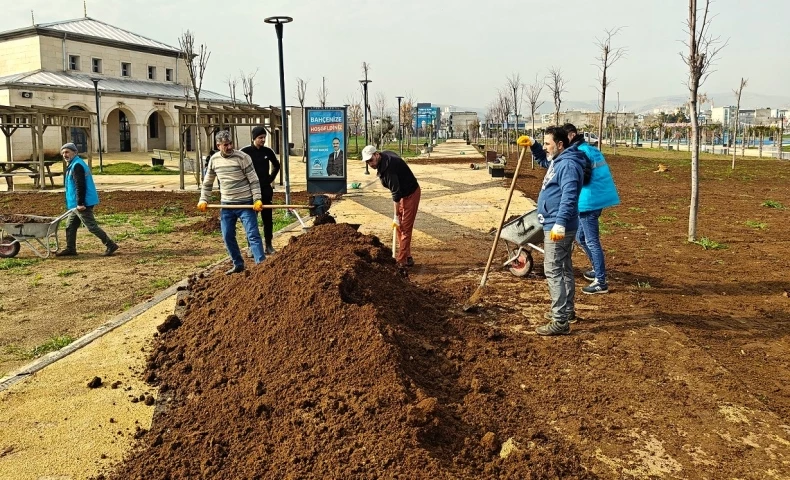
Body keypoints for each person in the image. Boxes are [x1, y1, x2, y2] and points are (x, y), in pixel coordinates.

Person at [518, 127, 586, 336]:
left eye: (548, 143)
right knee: (564, 268)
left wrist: (560, 223)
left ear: (560, 145)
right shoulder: (559, 160)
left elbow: (569, 196)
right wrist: (534, 145)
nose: (546, 147)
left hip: (558, 226)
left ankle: (559, 321)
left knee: (553, 270)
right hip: (556, 222)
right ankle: (567, 312)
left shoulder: (568, 165)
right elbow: (545, 161)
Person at [198, 130, 266, 275]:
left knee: (252, 234)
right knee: (227, 235)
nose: (229, 147)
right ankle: (238, 264)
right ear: (218, 146)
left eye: (230, 144)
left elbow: (253, 180)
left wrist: (257, 199)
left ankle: (262, 267)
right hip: (227, 205)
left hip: (245, 204)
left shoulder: (243, 157)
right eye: (225, 145)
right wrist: (204, 199)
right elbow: (208, 182)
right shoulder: (214, 160)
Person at [563, 123, 620, 294]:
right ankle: (597, 269)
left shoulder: (580, 152)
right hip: (597, 197)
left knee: (591, 240)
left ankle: (601, 281)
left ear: (571, 135)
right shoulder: (590, 148)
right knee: (581, 237)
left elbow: (583, 179)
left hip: (589, 201)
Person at [361, 145, 420, 268]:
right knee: (399, 227)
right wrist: (397, 216)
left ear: (377, 154)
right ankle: (407, 257)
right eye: (367, 162)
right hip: (403, 194)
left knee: (405, 229)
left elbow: (396, 194)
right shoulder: (384, 158)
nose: (370, 164)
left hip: (411, 193)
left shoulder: (389, 169)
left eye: (371, 160)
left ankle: (401, 262)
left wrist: (395, 215)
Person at [55, 143, 119, 257]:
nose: (65, 154)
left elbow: (80, 186)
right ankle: (71, 249)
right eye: (63, 152)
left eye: (67, 152)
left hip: (83, 203)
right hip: (76, 203)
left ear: (75, 153)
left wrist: (80, 203)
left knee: (91, 226)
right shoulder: (73, 164)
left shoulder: (77, 166)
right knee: (70, 225)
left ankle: (110, 244)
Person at [241, 126, 281, 254]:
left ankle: (268, 245)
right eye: (260, 138)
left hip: (265, 189)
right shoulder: (245, 152)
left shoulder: (268, 151)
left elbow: (277, 165)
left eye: (264, 137)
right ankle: (251, 247)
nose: (263, 140)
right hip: (251, 190)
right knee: (251, 219)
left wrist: (270, 179)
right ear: (254, 138)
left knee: (267, 219)